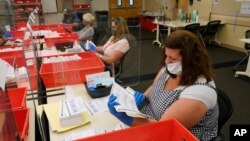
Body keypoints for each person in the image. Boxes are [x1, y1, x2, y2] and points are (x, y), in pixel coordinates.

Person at [108, 30, 219, 140]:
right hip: (148, 123)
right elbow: (154, 87)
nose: (167, 62)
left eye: (173, 58)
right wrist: (143, 97)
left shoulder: (200, 92)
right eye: (167, 56)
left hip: (171, 135)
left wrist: (128, 119)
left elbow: (163, 129)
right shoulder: (170, 70)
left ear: (192, 60)